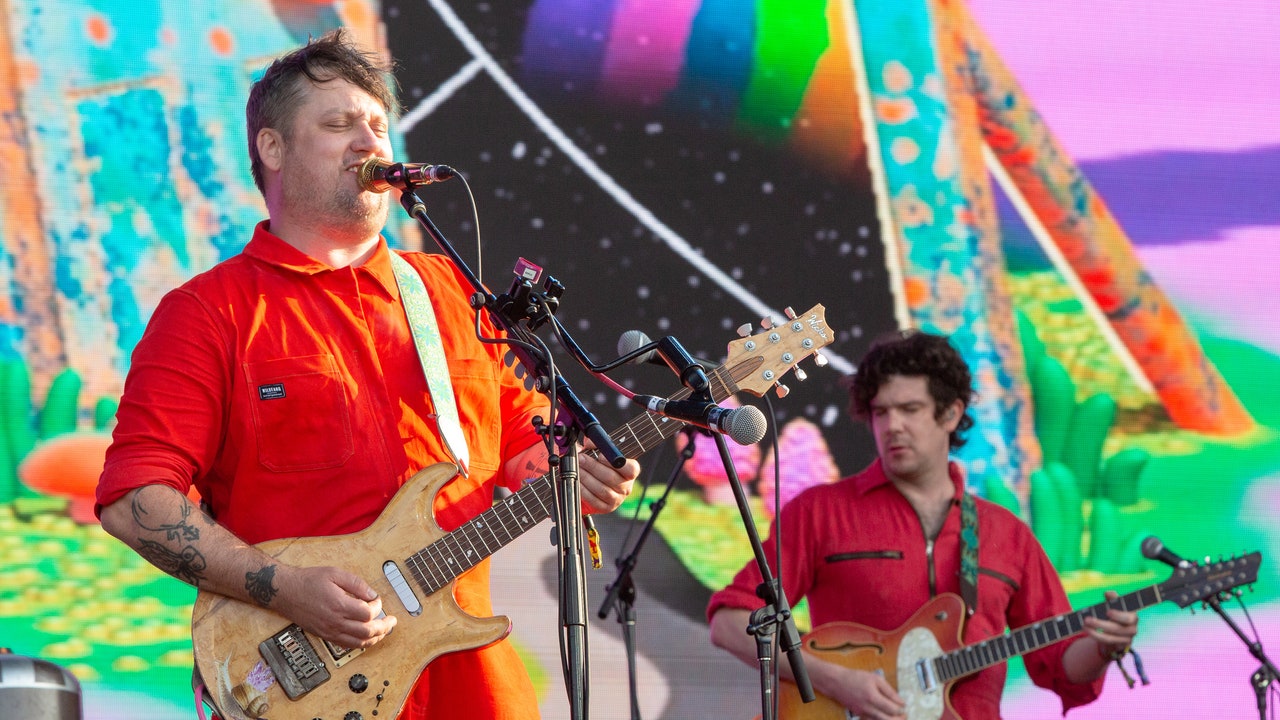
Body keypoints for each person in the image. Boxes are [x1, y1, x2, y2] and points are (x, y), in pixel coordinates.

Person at [95, 29, 639, 720]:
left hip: (471, 683)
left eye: (379, 125)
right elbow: (134, 497)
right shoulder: (209, 311)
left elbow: (516, 442)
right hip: (304, 685)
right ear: (272, 148)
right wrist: (284, 588)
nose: (369, 143)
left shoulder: (449, 290)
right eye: (338, 124)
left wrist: (569, 475)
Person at [707, 330, 1138, 719]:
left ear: (950, 414)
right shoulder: (820, 512)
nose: (892, 426)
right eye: (880, 412)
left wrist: (1103, 647)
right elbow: (730, 622)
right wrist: (834, 680)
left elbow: (1063, 667)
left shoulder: (1007, 534)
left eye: (910, 409)